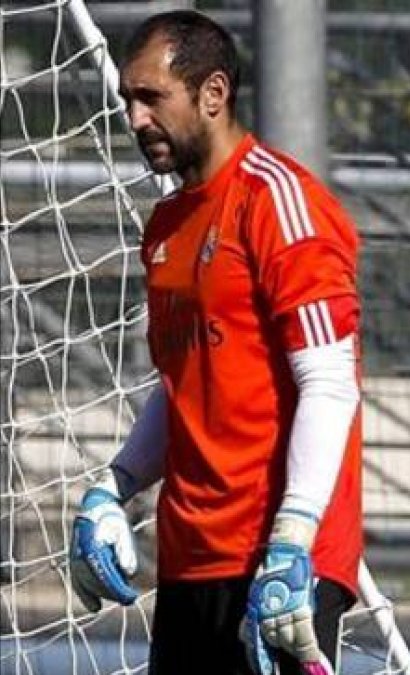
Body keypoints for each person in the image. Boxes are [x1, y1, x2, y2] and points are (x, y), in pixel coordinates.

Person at [67, 10, 363, 675]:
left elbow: (330, 380)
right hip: (190, 558)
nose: (136, 119)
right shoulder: (167, 225)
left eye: (151, 98)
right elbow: (185, 386)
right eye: (127, 101)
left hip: (278, 565)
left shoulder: (279, 201)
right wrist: (112, 486)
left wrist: (294, 535)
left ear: (213, 93)